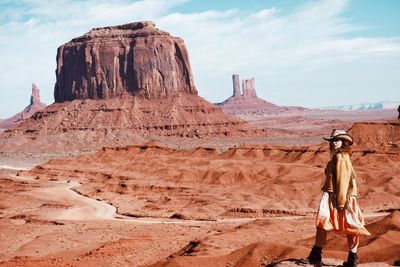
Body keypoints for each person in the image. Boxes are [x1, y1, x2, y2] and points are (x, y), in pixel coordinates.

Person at [307, 129, 370, 267]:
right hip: (336, 195)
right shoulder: (340, 157)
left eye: (337, 140)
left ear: (344, 142)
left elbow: (343, 180)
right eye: (332, 141)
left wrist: (341, 202)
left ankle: (316, 255)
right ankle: (350, 258)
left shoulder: (340, 157)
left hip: (337, 196)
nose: (334, 143)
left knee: (331, 224)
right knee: (347, 226)